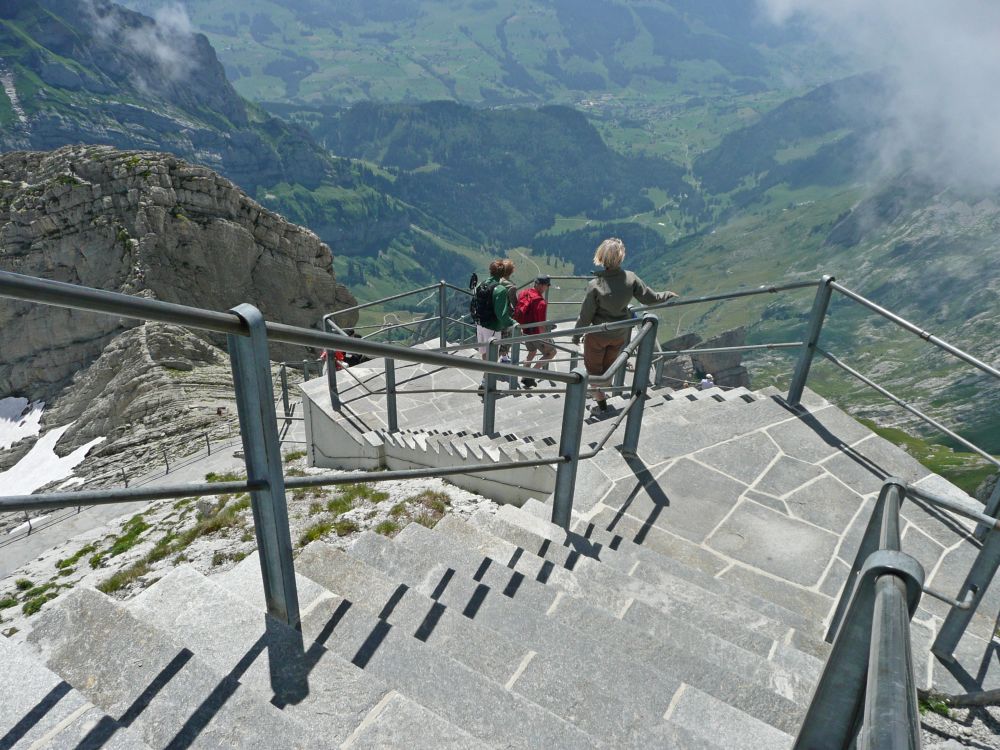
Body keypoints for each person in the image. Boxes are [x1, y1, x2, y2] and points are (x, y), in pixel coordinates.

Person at [574, 237, 678, 415]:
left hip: (598, 335)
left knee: (592, 371)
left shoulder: (595, 285)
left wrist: (576, 335)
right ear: (621, 257)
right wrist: (666, 294)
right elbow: (650, 298)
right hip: (619, 334)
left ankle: (598, 399)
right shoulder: (631, 278)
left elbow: (586, 315)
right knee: (609, 370)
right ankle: (600, 395)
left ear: (601, 257)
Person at [514, 275, 556, 388]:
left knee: (531, 353)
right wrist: (545, 339)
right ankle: (530, 376)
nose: (547, 288)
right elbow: (540, 325)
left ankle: (524, 376)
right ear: (542, 285)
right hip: (536, 334)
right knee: (551, 353)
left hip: (525, 331)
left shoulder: (523, 293)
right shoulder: (541, 303)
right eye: (547, 285)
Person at [475, 259, 517, 362]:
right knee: (493, 355)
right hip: (492, 327)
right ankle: (488, 376)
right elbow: (501, 315)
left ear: (490, 271)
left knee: (485, 352)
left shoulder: (481, 284)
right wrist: (514, 323)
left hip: (480, 323)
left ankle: (486, 375)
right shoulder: (501, 289)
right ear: (503, 273)